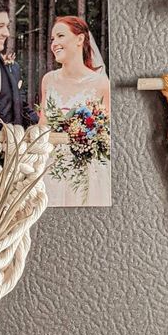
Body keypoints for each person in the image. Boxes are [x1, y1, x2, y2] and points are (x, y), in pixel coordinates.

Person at [39, 15, 111, 207]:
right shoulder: (48, 80)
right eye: (52, 39)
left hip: (87, 171)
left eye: (60, 36)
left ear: (80, 39)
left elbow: (106, 135)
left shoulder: (101, 84)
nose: (54, 43)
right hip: (51, 167)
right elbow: (42, 128)